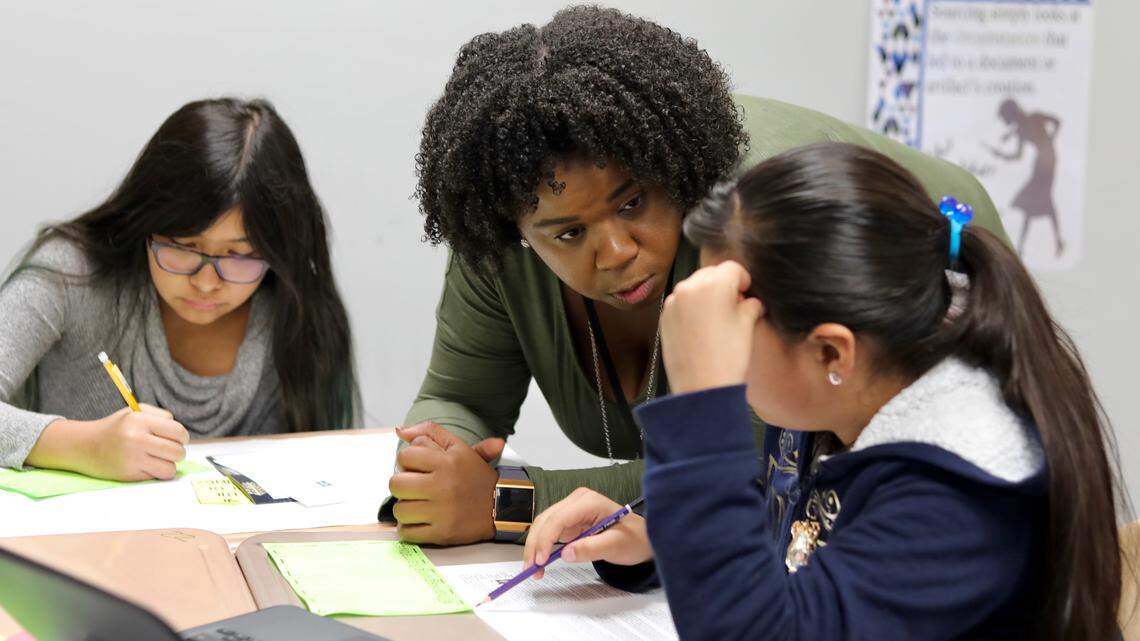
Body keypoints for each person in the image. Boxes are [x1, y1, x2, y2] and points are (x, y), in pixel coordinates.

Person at [387, 5, 1007, 547]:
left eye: (633, 204)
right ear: (514, 230)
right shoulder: (502, 222)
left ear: (678, 168)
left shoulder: (748, 225)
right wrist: (431, 467)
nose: (616, 251)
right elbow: (460, 399)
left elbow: (757, 465)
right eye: (568, 234)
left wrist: (507, 502)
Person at [524, 143, 1123, 641]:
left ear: (831, 352)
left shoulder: (959, 492)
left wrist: (701, 402)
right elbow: (801, 551)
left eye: (733, 327)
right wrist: (659, 541)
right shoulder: (839, 401)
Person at [0, 98, 358, 481]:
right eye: (184, 247)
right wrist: (84, 445)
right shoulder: (71, 274)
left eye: (239, 255)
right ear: (147, 223)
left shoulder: (297, 309)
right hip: (75, 539)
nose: (206, 282)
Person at [984, 98, 1064, 257]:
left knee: (1038, 201)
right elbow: (1018, 156)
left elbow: (1057, 121)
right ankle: (1045, 243)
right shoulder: (1021, 129)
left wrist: (1051, 139)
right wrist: (1001, 155)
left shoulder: (1034, 117)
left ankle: (1026, 246)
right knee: (1035, 204)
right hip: (1041, 162)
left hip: (1047, 162)